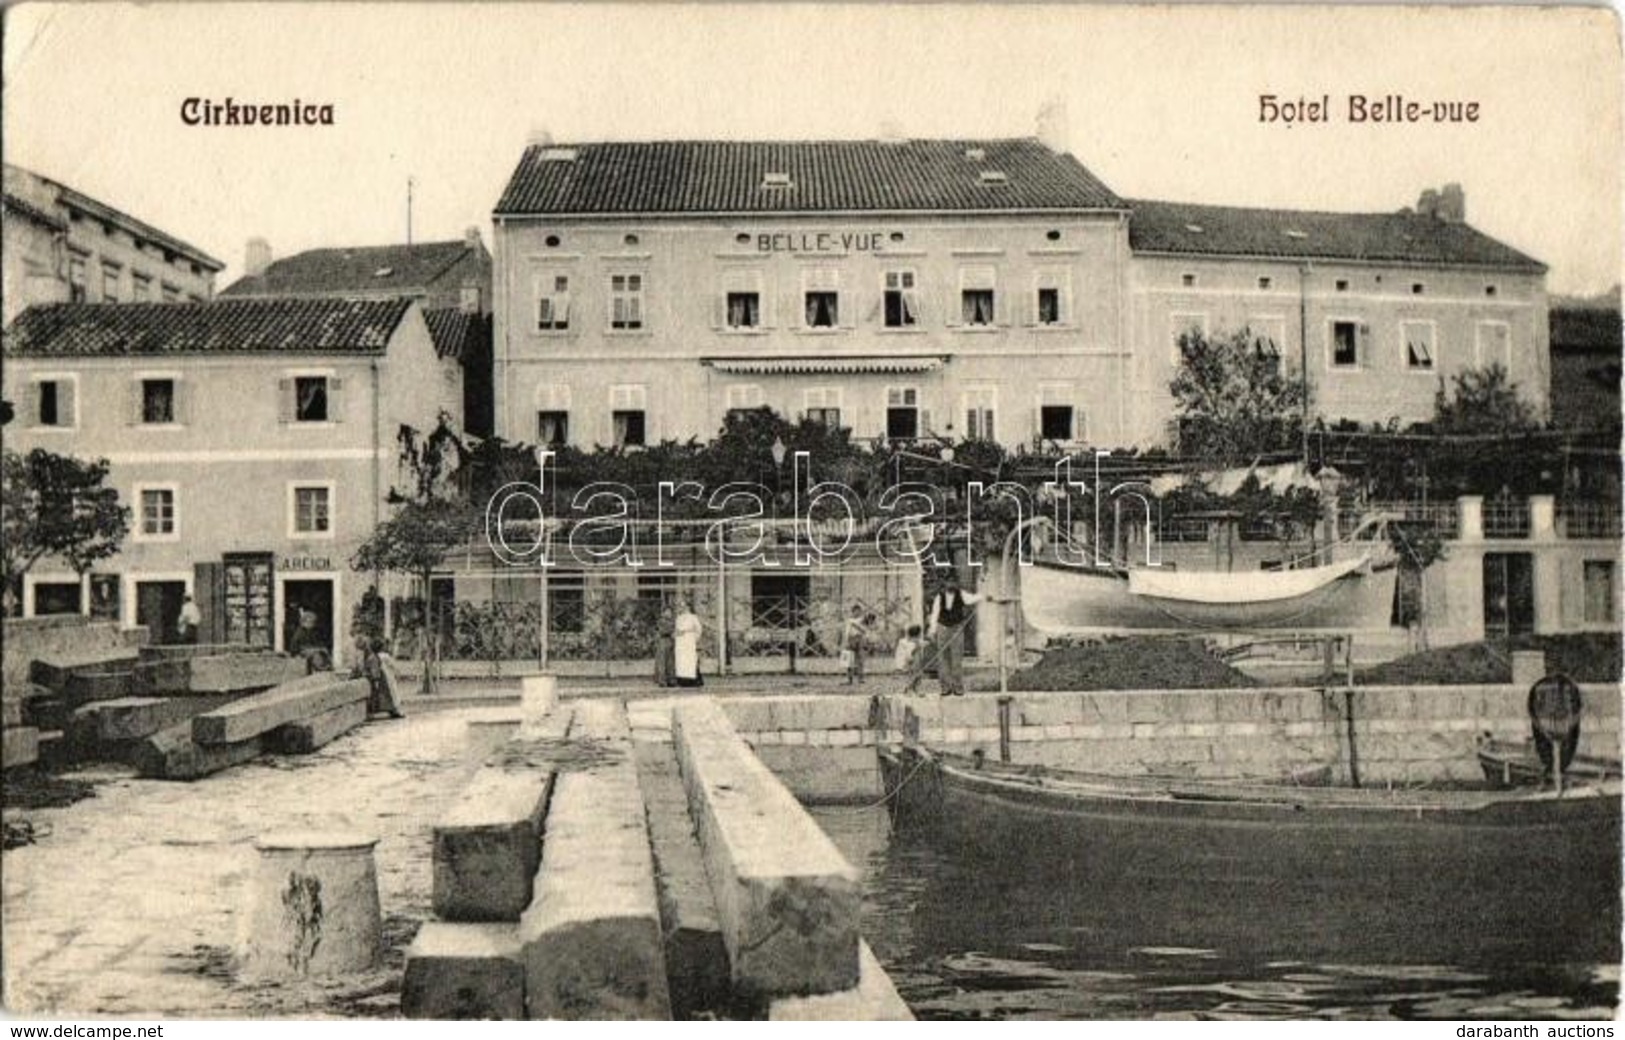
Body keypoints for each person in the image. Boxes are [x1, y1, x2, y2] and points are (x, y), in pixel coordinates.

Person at [927, 572, 981, 696]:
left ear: (956, 583)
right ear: (945, 583)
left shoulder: (961, 594)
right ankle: (945, 687)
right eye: (949, 582)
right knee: (943, 659)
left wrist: (984, 596)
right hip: (943, 628)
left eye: (953, 582)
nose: (951, 584)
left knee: (957, 659)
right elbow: (935, 615)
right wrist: (932, 631)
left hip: (956, 629)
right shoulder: (939, 597)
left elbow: (971, 599)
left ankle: (958, 687)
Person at [353, 635, 403, 718]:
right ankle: (393, 710)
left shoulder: (372, 656)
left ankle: (376, 712)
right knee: (389, 694)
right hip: (384, 676)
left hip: (380, 676)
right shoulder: (377, 656)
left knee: (382, 695)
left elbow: (371, 668)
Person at [673, 598, 703, 688]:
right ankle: (682, 680)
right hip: (680, 641)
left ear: (688, 607)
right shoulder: (678, 618)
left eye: (683, 606)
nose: (681, 608)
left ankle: (692, 680)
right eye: (680, 606)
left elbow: (699, 629)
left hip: (689, 640)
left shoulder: (693, 617)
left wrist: (694, 639)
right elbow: (676, 629)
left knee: (690, 660)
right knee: (681, 661)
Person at [841, 605, 871, 685]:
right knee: (849, 660)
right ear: (853, 611)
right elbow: (847, 632)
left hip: (860, 639)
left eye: (859, 611)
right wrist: (846, 641)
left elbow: (866, 628)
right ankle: (849, 678)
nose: (857, 613)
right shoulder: (849, 620)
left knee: (860, 660)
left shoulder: (862, 620)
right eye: (856, 611)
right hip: (851, 639)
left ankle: (861, 678)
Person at [894, 624, 923, 693]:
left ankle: (913, 689)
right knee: (913, 677)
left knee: (917, 676)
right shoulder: (910, 644)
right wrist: (909, 661)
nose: (919, 637)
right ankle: (910, 689)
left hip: (914, 665)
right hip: (911, 664)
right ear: (916, 636)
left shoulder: (913, 642)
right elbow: (908, 654)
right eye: (919, 635)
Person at [653, 605, 676, 688]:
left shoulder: (672, 621)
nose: (669, 613)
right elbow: (662, 631)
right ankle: (662, 681)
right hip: (663, 641)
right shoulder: (661, 621)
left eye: (670, 612)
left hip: (670, 641)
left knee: (670, 662)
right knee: (662, 661)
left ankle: (671, 680)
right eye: (667, 611)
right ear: (663, 613)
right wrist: (672, 631)